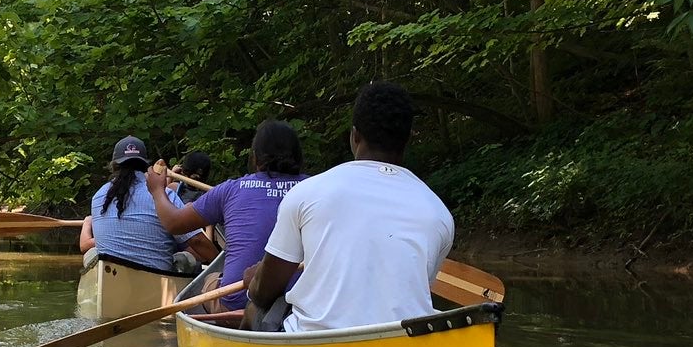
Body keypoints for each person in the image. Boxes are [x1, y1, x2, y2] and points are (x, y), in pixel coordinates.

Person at [245, 82, 452, 332]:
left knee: (255, 306)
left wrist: (253, 281)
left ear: (354, 135)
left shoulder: (307, 194)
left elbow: (265, 292)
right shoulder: (439, 213)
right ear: (408, 138)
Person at [143, 121, 307, 309]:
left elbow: (173, 223)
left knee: (211, 278)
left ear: (254, 157)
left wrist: (157, 190)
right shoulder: (315, 189)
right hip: (299, 306)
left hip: (237, 303)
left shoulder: (231, 190)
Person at [77, 135, 208, 273]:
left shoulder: (98, 196)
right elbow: (197, 241)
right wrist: (221, 262)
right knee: (185, 258)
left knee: (91, 254)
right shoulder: (164, 194)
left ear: (114, 165)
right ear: (145, 164)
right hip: (155, 281)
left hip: (111, 275)